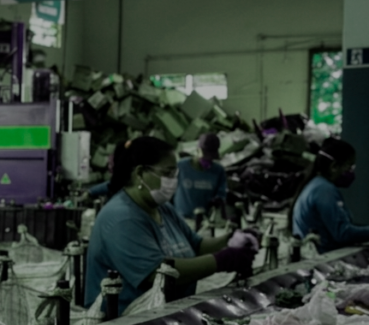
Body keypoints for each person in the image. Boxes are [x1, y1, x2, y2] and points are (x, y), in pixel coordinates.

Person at [85, 136, 257, 313]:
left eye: (175, 174)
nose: (173, 181)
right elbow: (158, 274)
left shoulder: (161, 208)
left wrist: (231, 239)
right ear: (140, 173)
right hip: (126, 322)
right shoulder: (122, 218)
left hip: (168, 313)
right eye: (167, 173)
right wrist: (222, 260)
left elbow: (197, 246)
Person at [290, 137, 369, 253]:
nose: (351, 172)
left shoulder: (317, 184)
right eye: (350, 167)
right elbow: (343, 233)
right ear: (334, 167)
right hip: (321, 257)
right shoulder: (324, 190)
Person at [173, 133, 228, 219]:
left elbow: (221, 193)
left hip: (205, 220)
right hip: (182, 218)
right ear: (198, 150)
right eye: (206, 156)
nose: (208, 160)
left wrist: (217, 201)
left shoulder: (218, 171)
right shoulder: (181, 166)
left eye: (211, 158)